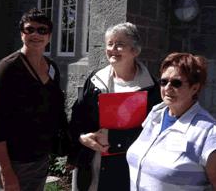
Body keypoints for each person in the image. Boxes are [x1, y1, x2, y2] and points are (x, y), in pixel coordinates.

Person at [67, 22, 161, 191]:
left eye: (120, 44)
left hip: (126, 168)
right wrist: (81, 138)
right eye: (110, 44)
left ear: (135, 50)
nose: (113, 49)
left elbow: (154, 131)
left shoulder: (151, 88)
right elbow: (78, 117)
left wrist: (114, 139)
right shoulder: (95, 80)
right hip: (92, 164)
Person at [0, 8, 68, 191]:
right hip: (13, 162)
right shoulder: (9, 68)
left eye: (42, 30)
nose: (35, 34)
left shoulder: (52, 68)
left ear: (49, 36)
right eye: (29, 29)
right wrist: (6, 172)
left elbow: (56, 109)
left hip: (39, 159)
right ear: (22, 33)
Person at [127, 52, 216, 190]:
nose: (167, 88)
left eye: (176, 83)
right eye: (163, 81)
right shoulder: (155, 115)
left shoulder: (209, 133)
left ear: (195, 87)